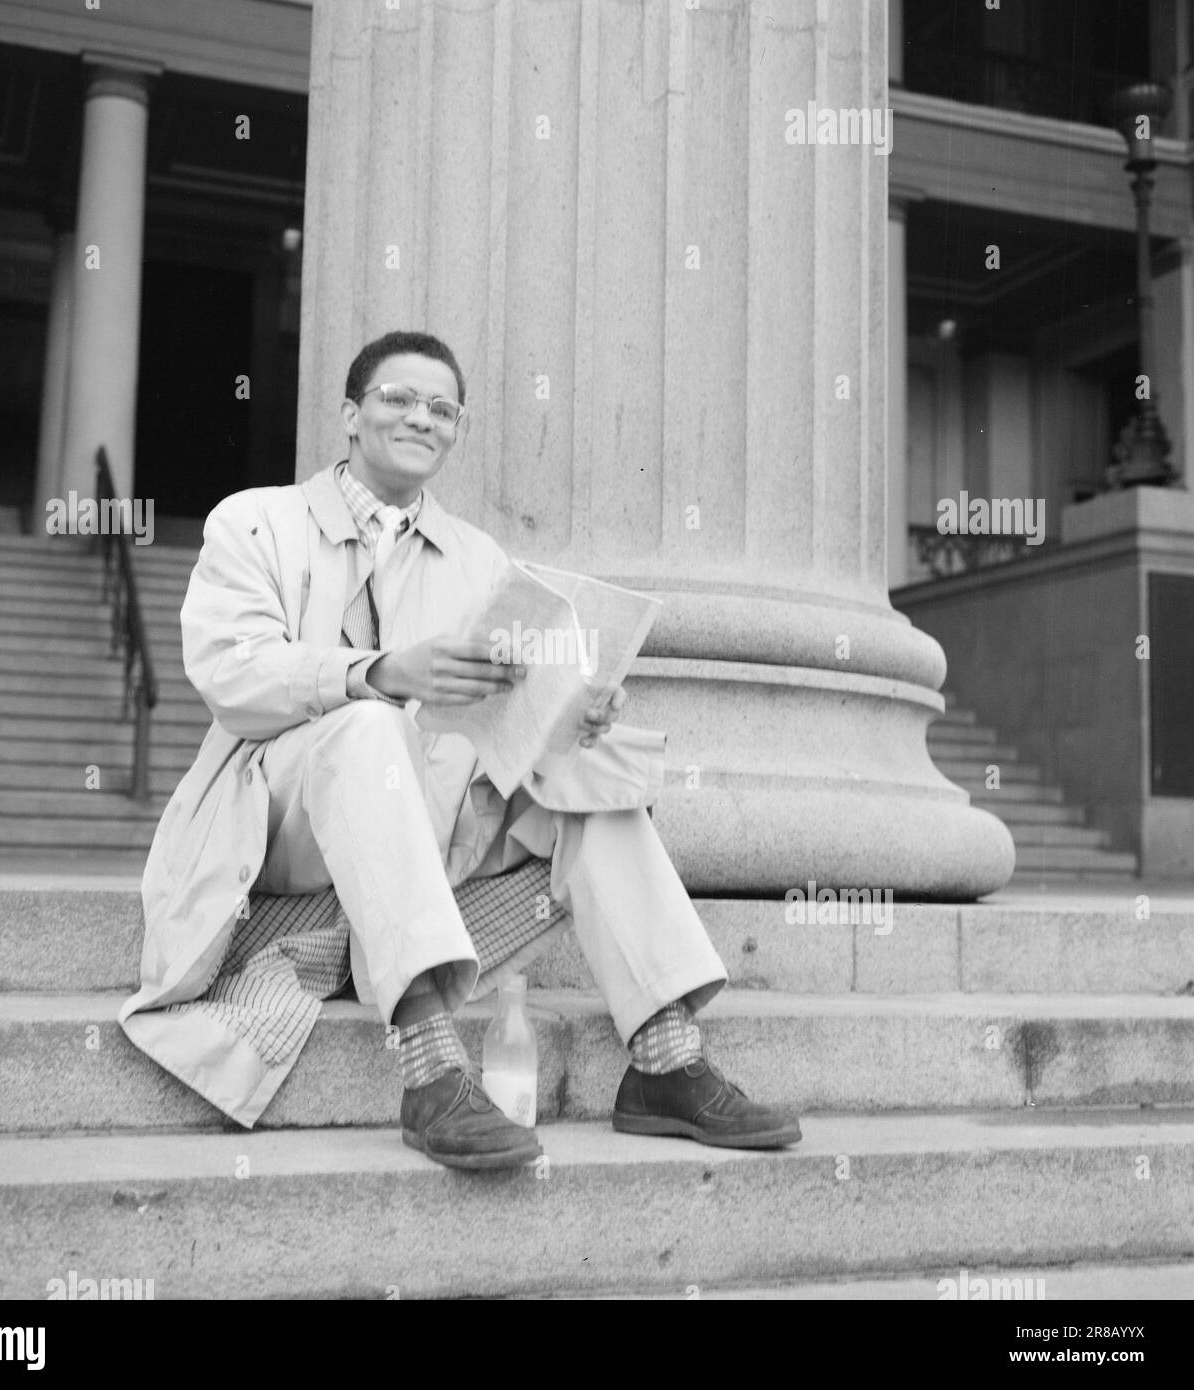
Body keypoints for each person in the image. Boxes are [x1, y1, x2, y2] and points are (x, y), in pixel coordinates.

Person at [120, 329, 802, 1169]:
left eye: (443, 408)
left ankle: (665, 1056)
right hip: (277, 815)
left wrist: (572, 714)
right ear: (350, 415)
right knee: (370, 723)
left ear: (457, 432)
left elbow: (501, 726)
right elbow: (233, 674)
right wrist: (379, 672)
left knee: (589, 763)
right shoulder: (256, 521)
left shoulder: (481, 560)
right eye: (399, 398)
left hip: (429, 812)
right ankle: (431, 1063)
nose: (422, 417)